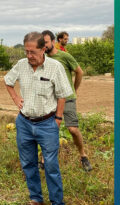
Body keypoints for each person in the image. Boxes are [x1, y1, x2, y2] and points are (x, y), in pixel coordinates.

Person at [4, 32, 72, 205]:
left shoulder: (54, 67)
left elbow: (62, 95)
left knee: (51, 165)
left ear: (43, 49)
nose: (29, 55)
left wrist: (57, 119)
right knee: (28, 164)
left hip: (47, 123)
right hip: (24, 123)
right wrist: (15, 98)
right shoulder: (21, 65)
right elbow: (8, 81)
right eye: (26, 51)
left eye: (32, 52)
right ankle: (35, 199)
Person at [42, 30, 92, 171]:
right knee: (48, 130)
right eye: (42, 43)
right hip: (52, 100)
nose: (44, 46)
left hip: (68, 98)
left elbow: (79, 72)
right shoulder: (43, 59)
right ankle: (44, 159)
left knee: (73, 129)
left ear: (53, 41)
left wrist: (74, 89)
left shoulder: (65, 56)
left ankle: (83, 156)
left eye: (46, 42)